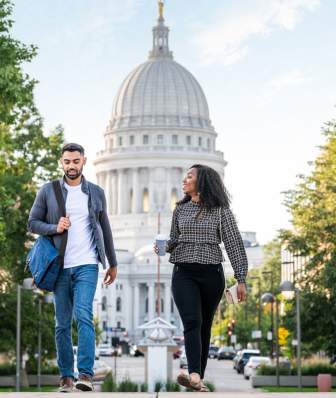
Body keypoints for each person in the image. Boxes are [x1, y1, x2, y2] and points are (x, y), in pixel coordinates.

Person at [28, 143, 118, 392]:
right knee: (62, 323)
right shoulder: (49, 191)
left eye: (75, 161)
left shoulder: (97, 193)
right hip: (59, 266)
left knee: (84, 316)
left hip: (87, 264)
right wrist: (54, 227)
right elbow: (32, 223)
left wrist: (112, 262)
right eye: (67, 161)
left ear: (84, 161)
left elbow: (105, 230)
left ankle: (85, 374)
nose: (71, 166)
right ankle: (66, 376)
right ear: (62, 162)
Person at [155, 164, 248, 392]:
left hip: (212, 273)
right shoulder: (180, 210)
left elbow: (234, 244)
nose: (184, 180)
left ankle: (198, 378)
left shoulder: (221, 210)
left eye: (189, 177)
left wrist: (241, 278)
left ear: (202, 182)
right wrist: (163, 247)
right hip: (184, 271)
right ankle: (194, 373)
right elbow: (175, 239)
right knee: (192, 321)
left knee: (205, 326)